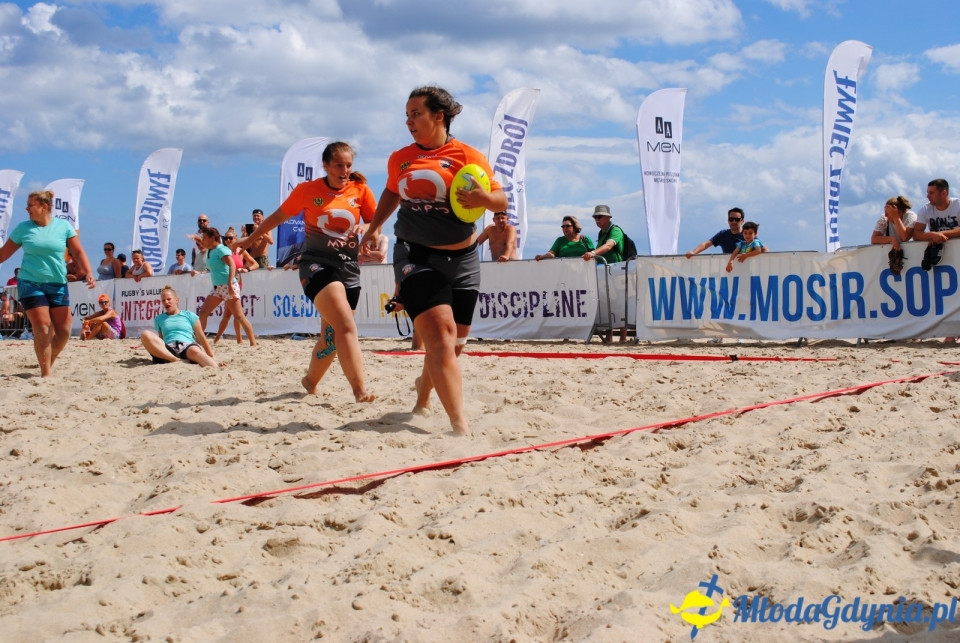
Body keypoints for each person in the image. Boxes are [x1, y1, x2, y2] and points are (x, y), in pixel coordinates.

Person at [358, 85, 508, 435]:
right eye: (407, 115)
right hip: (414, 253)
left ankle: (423, 396)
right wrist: (373, 228)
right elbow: (393, 190)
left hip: (465, 257)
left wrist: (484, 197)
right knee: (440, 337)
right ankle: (461, 427)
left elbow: (500, 201)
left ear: (438, 116)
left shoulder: (467, 156)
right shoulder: (401, 157)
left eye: (416, 114)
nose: (408, 121)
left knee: (453, 347)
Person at [238, 141, 376, 401]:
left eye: (348, 165)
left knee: (332, 339)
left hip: (349, 269)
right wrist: (249, 239)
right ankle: (360, 390)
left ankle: (310, 381)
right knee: (346, 325)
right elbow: (277, 217)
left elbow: (374, 223)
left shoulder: (361, 190)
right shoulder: (308, 191)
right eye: (338, 165)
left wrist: (367, 229)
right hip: (316, 265)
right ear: (325, 165)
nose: (344, 170)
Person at [0, 190, 95, 376]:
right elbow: (3, 254)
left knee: (64, 332)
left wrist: (89, 272)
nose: (27, 209)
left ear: (43, 207)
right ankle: (46, 374)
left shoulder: (63, 227)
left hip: (58, 283)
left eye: (30, 205)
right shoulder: (23, 228)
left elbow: (78, 252)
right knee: (43, 327)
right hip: (30, 283)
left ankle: (47, 363)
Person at [196, 227, 257, 347]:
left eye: (205, 238)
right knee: (203, 312)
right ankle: (199, 341)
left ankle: (253, 343)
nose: (203, 240)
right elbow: (203, 242)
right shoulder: (211, 250)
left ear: (212, 238)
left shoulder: (221, 249)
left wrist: (230, 284)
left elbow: (232, 265)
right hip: (218, 287)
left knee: (239, 316)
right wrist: (195, 237)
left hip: (228, 285)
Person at [140, 285, 218, 367]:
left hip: (187, 345)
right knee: (145, 334)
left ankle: (215, 367)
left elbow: (201, 337)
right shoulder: (159, 319)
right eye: (163, 300)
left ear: (176, 300)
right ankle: (174, 359)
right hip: (169, 348)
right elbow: (161, 338)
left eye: (169, 299)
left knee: (195, 351)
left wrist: (211, 356)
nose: (166, 302)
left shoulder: (189, 315)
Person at [913, 178, 960, 270]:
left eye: (931, 193)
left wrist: (938, 235)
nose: (927, 196)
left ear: (943, 193)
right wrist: (932, 235)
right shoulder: (925, 209)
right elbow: (916, 234)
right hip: (940, 259)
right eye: (927, 193)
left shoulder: (958, 205)